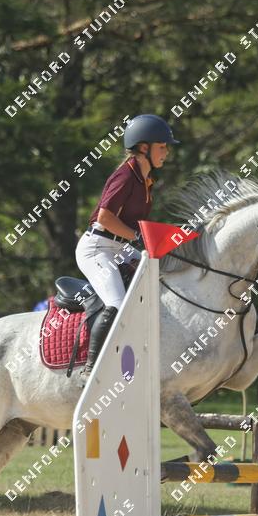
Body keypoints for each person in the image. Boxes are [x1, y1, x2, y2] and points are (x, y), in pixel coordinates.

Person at [76, 113, 179, 372]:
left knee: (162, 278)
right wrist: (137, 237)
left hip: (119, 248)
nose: (166, 152)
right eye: (162, 146)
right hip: (97, 249)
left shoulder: (145, 180)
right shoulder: (125, 175)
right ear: (144, 148)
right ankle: (92, 368)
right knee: (117, 304)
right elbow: (104, 217)